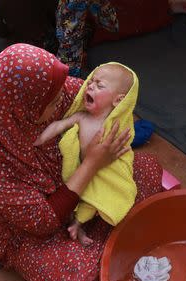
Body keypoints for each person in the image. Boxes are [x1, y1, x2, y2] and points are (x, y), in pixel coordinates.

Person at [0, 44, 163, 281]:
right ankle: (111, 240)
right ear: (24, 108)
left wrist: (111, 125)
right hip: (29, 230)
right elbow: (40, 222)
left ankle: (100, 243)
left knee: (147, 169)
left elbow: (111, 103)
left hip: (78, 187)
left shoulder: (56, 92)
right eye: (52, 102)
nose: (61, 102)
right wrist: (92, 165)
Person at [34, 62, 138, 246]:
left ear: (118, 101)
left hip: (104, 173)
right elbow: (58, 126)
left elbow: (123, 147)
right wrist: (38, 140)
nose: (90, 86)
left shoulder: (115, 126)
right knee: (74, 200)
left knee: (93, 202)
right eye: (91, 81)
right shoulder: (82, 117)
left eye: (100, 85)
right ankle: (77, 226)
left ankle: (78, 224)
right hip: (81, 170)